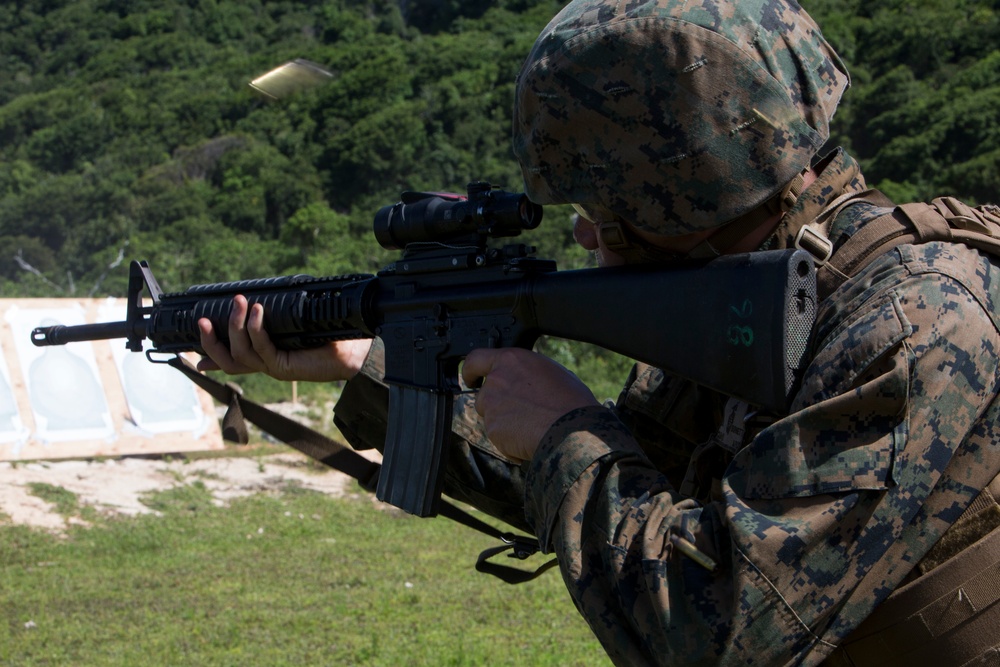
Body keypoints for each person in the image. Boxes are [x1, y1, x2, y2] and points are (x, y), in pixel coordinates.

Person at [198, 1, 1000, 665]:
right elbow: (626, 509)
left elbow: (711, 628)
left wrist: (565, 435)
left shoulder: (914, 324)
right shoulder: (759, 295)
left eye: (598, 205)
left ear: (682, 183)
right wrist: (366, 365)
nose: (585, 234)